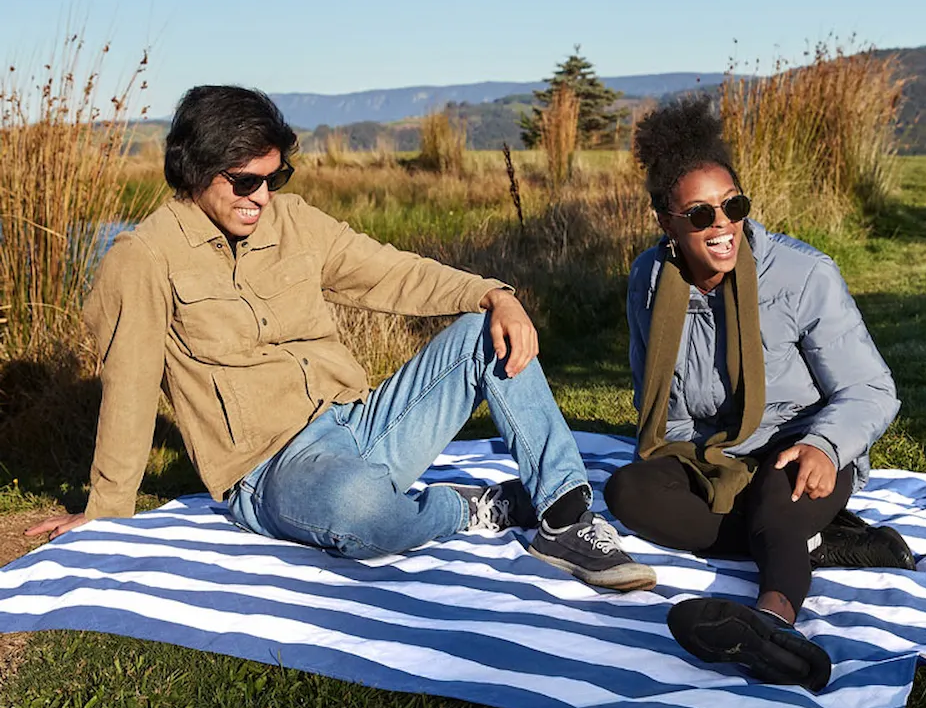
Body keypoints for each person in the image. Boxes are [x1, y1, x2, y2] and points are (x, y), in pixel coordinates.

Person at [28, 85, 655, 593]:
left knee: (482, 334)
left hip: (361, 424)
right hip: (272, 469)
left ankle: (564, 515)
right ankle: (469, 510)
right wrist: (107, 509)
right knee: (360, 509)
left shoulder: (294, 221)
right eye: (245, 181)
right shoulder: (143, 258)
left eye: (274, 177)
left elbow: (393, 273)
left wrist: (495, 294)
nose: (261, 197)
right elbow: (130, 385)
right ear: (196, 170)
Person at [603, 97, 914, 691]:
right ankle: (812, 541)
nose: (722, 224)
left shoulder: (802, 274)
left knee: (778, 489)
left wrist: (826, 446)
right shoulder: (649, 280)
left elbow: (871, 388)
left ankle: (773, 624)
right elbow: (658, 401)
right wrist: (682, 461)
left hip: (798, 445)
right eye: (700, 214)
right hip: (710, 455)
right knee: (628, 492)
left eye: (734, 206)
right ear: (667, 222)